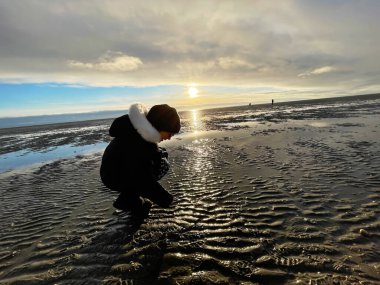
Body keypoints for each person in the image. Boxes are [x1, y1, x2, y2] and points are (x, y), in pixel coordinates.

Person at [100, 103, 181, 217]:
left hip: (116, 170)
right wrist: (166, 199)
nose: (169, 137)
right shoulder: (139, 143)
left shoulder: (138, 130)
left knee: (161, 155)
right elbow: (143, 179)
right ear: (160, 125)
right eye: (170, 133)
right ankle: (128, 201)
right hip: (113, 177)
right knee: (162, 165)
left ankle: (130, 197)